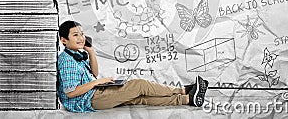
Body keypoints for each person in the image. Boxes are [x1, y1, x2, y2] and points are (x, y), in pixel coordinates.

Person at [57, 20, 209, 113]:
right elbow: (71, 93)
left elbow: (94, 74)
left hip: (93, 93)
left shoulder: (76, 54)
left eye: (82, 34)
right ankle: (183, 90)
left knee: (139, 98)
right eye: (75, 35)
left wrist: (91, 52)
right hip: (87, 100)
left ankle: (188, 99)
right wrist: (97, 83)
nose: (82, 38)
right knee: (139, 85)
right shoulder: (67, 61)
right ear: (64, 40)